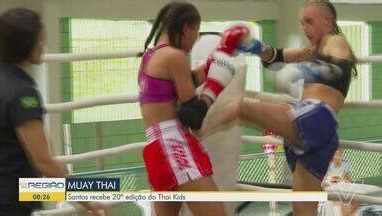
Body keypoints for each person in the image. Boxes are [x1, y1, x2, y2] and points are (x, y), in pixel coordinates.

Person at [198, 1, 357, 215]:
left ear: (328, 20)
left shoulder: (334, 41)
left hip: (315, 118)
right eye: (302, 23)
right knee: (303, 211)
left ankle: (197, 132)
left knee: (241, 107)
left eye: (309, 22)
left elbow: (337, 69)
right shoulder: (313, 49)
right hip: (319, 134)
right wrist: (254, 46)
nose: (304, 28)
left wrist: (304, 71)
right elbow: (276, 57)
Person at [137, 2, 248, 216]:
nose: (192, 44)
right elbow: (192, 116)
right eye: (194, 36)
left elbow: (183, 83)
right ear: (186, 29)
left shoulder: (150, 57)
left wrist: (215, 62)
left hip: (156, 148)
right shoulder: (174, 56)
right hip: (174, 146)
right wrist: (215, 87)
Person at [0, 8, 103, 216]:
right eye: (40, 39)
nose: (43, 45)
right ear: (27, 43)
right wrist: (89, 201)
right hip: (11, 198)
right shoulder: (22, 93)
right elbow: (43, 161)